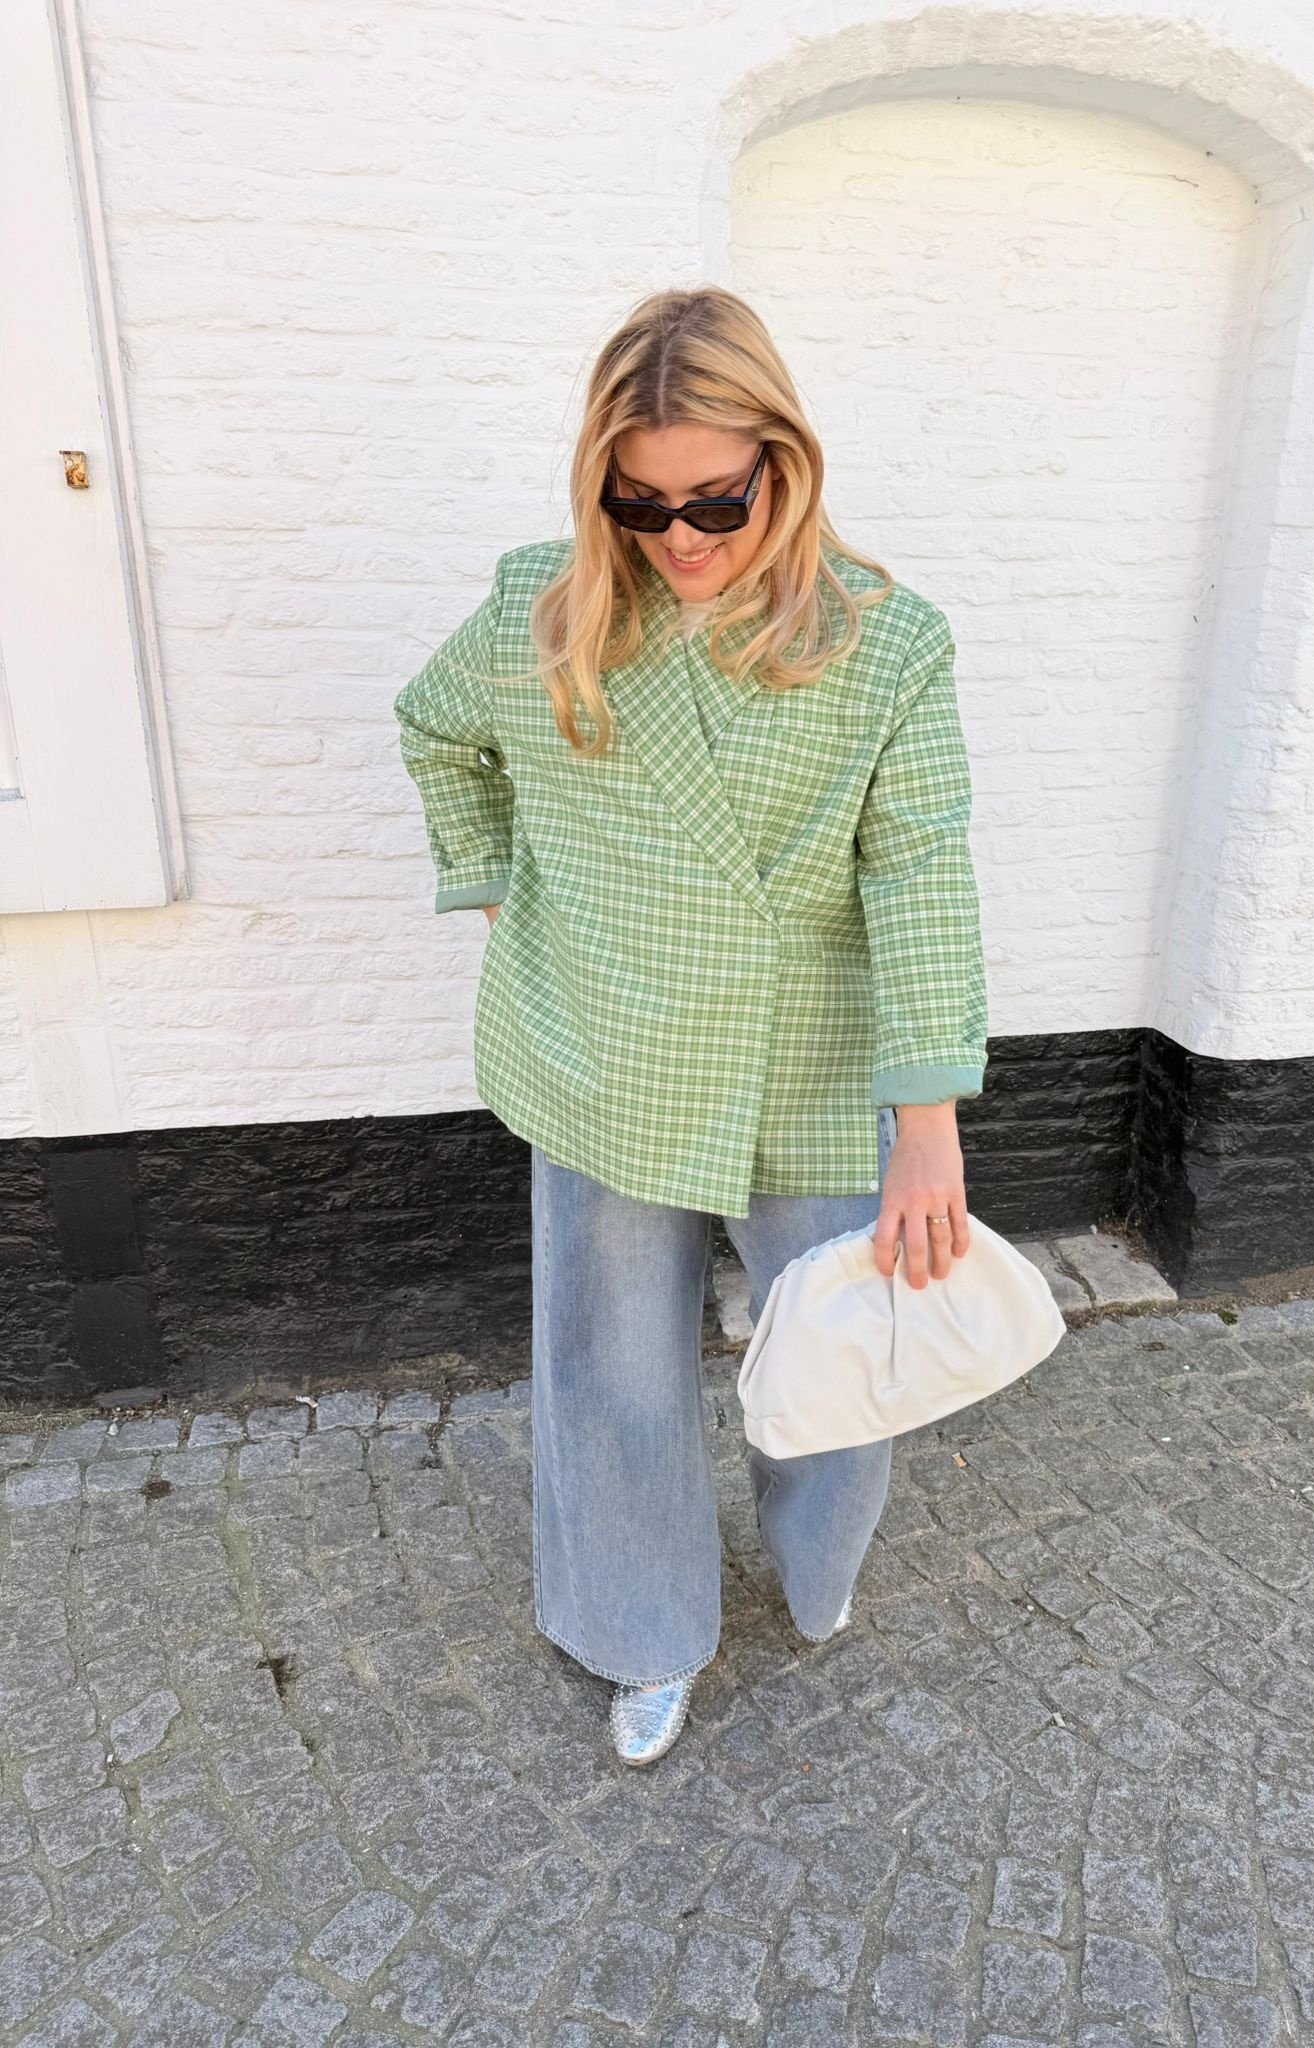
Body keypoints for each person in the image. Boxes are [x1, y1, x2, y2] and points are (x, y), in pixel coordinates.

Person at [393, 287, 988, 1766]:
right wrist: (499, 887)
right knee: (613, 1370)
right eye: (641, 503)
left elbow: (920, 869)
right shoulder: (549, 611)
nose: (684, 540)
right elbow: (434, 726)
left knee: (846, 1351)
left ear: (786, 463)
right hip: (604, 1048)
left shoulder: (884, 641)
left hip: (811, 1058)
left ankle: (816, 1563)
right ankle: (639, 1628)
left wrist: (929, 1126)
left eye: (717, 499)